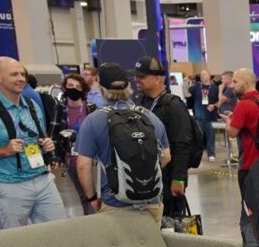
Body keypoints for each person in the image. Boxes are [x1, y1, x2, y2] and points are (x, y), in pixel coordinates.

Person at [0, 56, 63, 229]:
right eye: (14, 74)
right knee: (18, 242)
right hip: (10, 186)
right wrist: (4, 150)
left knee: (60, 233)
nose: (21, 78)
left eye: (22, 74)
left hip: (43, 180)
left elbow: (39, 135)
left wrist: (46, 143)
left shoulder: (31, 105)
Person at [74, 63, 170, 227]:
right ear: (128, 86)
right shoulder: (148, 116)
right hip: (152, 201)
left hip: (114, 202)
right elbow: (166, 157)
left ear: (100, 86)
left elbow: (83, 166)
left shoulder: (93, 120)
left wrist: (92, 198)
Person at [133, 56, 194, 216]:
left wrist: (179, 179)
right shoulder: (140, 102)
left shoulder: (174, 106)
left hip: (169, 178)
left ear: (158, 78)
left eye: (142, 76)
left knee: (169, 223)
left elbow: (183, 145)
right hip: (148, 177)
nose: (136, 79)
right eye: (136, 76)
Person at [49, 73, 97, 215]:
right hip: (71, 158)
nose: (74, 89)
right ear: (64, 88)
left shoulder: (91, 108)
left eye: (77, 87)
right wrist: (54, 156)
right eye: (70, 86)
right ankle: (90, 221)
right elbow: (54, 131)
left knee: (95, 193)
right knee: (83, 195)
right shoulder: (60, 108)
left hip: (91, 158)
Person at [224, 68, 259, 196]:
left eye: (235, 82)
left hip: (248, 164)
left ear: (246, 83)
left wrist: (229, 120)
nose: (232, 86)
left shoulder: (243, 104)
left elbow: (232, 133)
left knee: (248, 209)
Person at [186, 70, 219, 161]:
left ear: (209, 76)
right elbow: (187, 95)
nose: (202, 76)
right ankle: (197, 155)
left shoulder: (215, 88)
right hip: (199, 117)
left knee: (211, 136)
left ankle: (211, 154)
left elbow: (219, 101)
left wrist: (214, 105)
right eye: (201, 75)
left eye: (204, 74)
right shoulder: (196, 87)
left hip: (211, 116)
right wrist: (184, 85)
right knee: (198, 137)